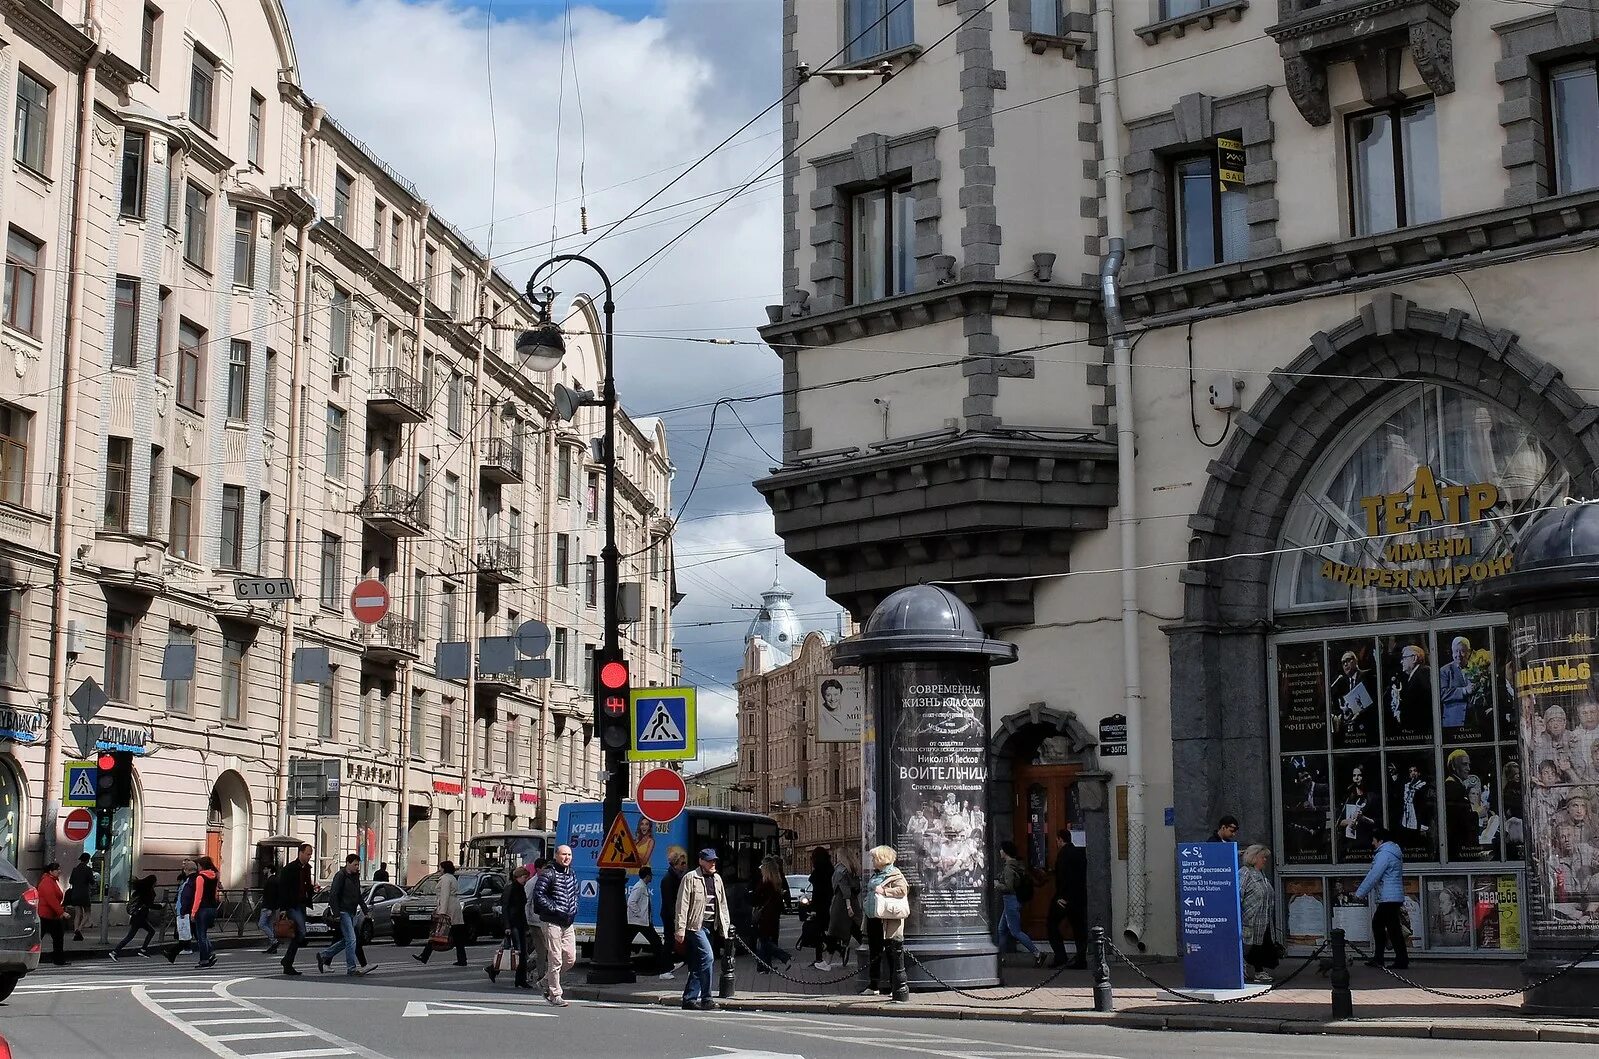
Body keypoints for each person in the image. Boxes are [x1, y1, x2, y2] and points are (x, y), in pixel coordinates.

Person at [673, 848, 730, 1012]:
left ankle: (689, 999)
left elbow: (723, 904)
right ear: (701, 861)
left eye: (714, 861)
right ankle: (707, 998)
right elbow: (682, 905)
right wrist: (680, 928)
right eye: (709, 861)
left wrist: (725, 926)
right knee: (709, 957)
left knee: (700, 962)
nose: (713, 863)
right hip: (695, 926)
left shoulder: (717, 879)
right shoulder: (690, 878)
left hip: (711, 927)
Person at [530, 845, 578, 1006]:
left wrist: (573, 909)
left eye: (569, 854)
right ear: (556, 856)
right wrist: (555, 908)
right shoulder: (548, 873)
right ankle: (555, 994)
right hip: (552, 921)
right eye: (563, 854)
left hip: (568, 922)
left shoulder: (571, 873)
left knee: (570, 959)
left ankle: (544, 982)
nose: (567, 857)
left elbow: (574, 894)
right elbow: (539, 895)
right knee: (555, 959)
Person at [1354, 828, 1408, 969]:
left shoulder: (1384, 854)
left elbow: (1374, 875)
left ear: (1380, 840)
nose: (1372, 843)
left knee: (1378, 924)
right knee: (1393, 928)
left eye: (1374, 840)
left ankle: (1380, 958)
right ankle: (1400, 959)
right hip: (1394, 896)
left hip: (1388, 897)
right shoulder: (1393, 852)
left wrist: (1360, 893)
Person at [862, 845, 910, 1001]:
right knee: (874, 951)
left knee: (891, 952)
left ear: (882, 859)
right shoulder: (877, 874)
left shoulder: (895, 874)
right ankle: (873, 985)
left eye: (874, 858)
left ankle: (893, 985)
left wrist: (885, 891)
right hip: (873, 918)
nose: (872, 861)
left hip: (887, 920)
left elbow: (903, 890)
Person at [994, 841, 1045, 966]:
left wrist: (996, 885)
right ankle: (1001, 958)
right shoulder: (1017, 865)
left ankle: (1037, 953)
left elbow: (1009, 887)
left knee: (1015, 931)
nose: (1000, 852)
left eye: (1001, 850)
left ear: (1005, 852)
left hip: (1010, 901)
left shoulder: (1008, 868)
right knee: (1001, 929)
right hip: (1012, 901)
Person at [317, 855, 368, 976]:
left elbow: (358, 895)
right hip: (343, 911)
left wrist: (365, 909)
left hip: (351, 911)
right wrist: (336, 913)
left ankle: (323, 955)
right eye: (355, 864)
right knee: (351, 939)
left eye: (358, 864)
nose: (357, 867)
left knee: (348, 940)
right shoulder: (340, 875)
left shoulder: (355, 876)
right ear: (348, 863)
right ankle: (351, 968)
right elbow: (334, 894)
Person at [414, 860, 468, 967]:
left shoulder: (445, 879)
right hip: (454, 909)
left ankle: (424, 956)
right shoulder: (452, 878)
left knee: (437, 933)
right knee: (457, 936)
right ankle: (462, 959)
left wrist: (442, 911)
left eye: (441, 867)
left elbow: (444, 896)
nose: (439, 869)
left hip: (448, 910)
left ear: (444, 868)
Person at [1047, 829, 1088, 969]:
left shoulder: (1063, 855)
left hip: (1065, 898)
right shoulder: (1079, 853)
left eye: (1057, 840)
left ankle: (1060, 956)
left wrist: (1061, 897)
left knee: (1051, 924)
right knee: (1079, 929)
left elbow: (1065, 878)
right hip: (1080, 897)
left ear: (1060, 839)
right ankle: (1081, 959)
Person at [1239, 845, 1279, 984]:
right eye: (1263, 857)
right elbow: (1238, 894)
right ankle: (1248, 970)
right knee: (1250, 946)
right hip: (1250, 919)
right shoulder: (1245, 873)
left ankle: (1258, 970)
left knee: (1261, 945)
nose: (1265, 860)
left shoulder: (1262, 874)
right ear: (1254, 857)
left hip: (1264, 919)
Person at [488, 865, 531, 988]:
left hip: (520, 922)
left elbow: (521, 908)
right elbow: (505, 908)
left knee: (520, 952)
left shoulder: (520, 888)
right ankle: (496, 970)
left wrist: (526, 925)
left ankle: (519, 979)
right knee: (518, 951)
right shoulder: (510, 888)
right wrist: (507, 925)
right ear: (518, 877)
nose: (526, 879)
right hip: (512, 923)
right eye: (524, 877)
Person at [276, 843, 315, 975]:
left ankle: (287, 962)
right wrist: (283, 908)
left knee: (298, 934)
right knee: (302, 932)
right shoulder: (290, 869)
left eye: (311, 854)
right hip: (292, 905)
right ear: (301, 853)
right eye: (308, 854)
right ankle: (287, 961)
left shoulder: (307, 868)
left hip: (302, 904)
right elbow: (283, 889)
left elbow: (306, 885)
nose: (309, 857)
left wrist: (311, 890)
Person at [628, 865, 671, 975]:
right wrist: (640, 914)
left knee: (627, 943)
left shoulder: (642, 886)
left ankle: (665, 966)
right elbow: (631, 902)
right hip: (640, 921)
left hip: (640, 921)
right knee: (656, 942)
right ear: (647, 876)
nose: (652, 877)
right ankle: (665, 967)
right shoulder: (640, 887)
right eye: (651, 875)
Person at [750, 857, 791, 974]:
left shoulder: (765, 883)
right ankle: (765, 966)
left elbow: (755, 898)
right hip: (773, 916)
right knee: (765, 941)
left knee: (764, 941)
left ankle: (784, 957)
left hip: (764, 917)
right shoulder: (777, 881)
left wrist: (751, 895)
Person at [110, 871, 158, 959]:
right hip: (140, 918)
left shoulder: (141, 892)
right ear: (152, 882)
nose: (156, 883)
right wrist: (160, 906)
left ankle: (142, 950)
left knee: (136, 935)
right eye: (155, 882)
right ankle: (115, 952)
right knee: (132, 936)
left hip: (137, 917)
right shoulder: (147, 893)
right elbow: (149, 904)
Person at [827, 846, 861, 968]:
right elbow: (857, 888)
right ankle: (845, 947)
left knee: (833, 931)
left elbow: (844, 889)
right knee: (855, 928)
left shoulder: (840, 870)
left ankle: (827, 962)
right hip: (854, 901)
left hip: (840, 903)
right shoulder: (854, 869)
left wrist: (848, 907)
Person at [657, 849, 687, 980]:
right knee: (669, 941)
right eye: (682, 863)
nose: (684, 865)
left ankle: (669, 965)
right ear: (675, 864)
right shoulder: (669, 879)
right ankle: (664, 970)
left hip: (673, 913)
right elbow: (669, 901)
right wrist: (675, 917)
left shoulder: (676, 877)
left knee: (672, 941)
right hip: (670, 915)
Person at [163, 859, 198, 964]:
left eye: (184, 868)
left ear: (187, 870)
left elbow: (186, 896)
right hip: (188, 910)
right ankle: (172, 954)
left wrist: (183, 910)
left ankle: (208, 954)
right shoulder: (192, 879)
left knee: (192, 935)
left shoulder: (191, 880)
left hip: (187, 911)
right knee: (187, 935)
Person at [189, 854, 221, 969]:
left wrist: (193, 913)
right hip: (212, 908)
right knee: (204, 934)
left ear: (201, 866)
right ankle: (210, 954)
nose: (197, 868)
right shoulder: (214, 876)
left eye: (198, 865)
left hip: (202, 909)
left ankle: (204, 959)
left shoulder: (200, 878)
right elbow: (214, 893)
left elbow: (198, 896)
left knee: (200, 935)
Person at [806, 847, 835, 969]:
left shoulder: (818, 872)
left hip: (821, 906)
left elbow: (816, 892)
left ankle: (820, 957)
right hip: (830, 904)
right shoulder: (831, 869)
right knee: (829, 930)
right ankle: (837, 948)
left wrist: (813, 909)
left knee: (819, 932)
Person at [37, 861, 68, 966]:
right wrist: (61, 912)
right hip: (46, 915)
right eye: (57, 869)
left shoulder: (53, 881)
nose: (59, 871)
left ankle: (58, 959)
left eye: (59, 869)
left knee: (57, 937)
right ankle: (57, 959)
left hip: (52, 915)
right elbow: (51, 899)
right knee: (42, 937)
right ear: (51, 871)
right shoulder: (47, 882)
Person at [1439, 635, 1473, 730]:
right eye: (1455, 651)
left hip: (1474, 721)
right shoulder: (1445, 671)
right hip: (1453, 723)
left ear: (1468, 652)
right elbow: (1442, 694)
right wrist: (1464, 691)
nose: (1458, 655)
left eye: (1462, 651)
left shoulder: (1476, 668)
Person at [67, 853, 95, 940]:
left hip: (75, 894)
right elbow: (92, 882)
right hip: (84, 894)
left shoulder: (75, 869)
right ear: (87, 860)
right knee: (87, 912)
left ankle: (75, 931)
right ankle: (79, 929)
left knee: (78, 914)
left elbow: (70, 881)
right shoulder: (88, 870)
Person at [258, 867, 282, 955]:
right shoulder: (274, 880)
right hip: (272, 907)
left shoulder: (271, 881)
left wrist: (270, 908)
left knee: (262, 924)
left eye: (264, 869)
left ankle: (274, 941)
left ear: (269, 869)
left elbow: (271, 896)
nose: (263, 871)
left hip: (268, 907)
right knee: (269, 925)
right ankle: (273, 947)